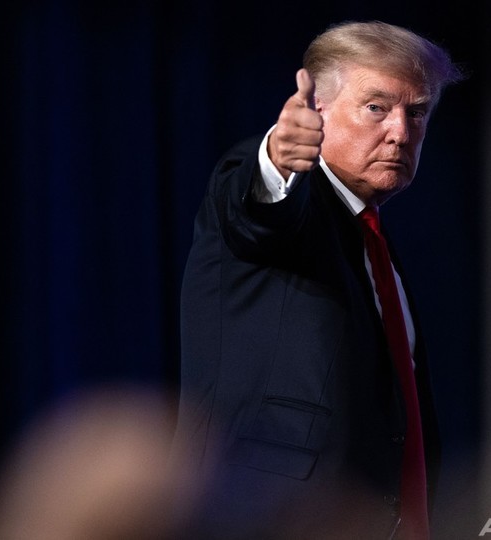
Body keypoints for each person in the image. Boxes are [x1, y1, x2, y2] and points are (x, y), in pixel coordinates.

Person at [173, 20, 464, 539]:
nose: (401, 132)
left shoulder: (374, 242)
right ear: (318, 110)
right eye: (376, 107)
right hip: (266, 519)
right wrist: (278, 161)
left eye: (416, 112)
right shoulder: (285, 200)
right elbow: (259, 210)